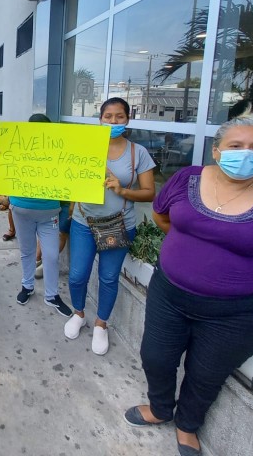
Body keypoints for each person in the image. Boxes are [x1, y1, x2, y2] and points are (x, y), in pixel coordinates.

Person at [125, 112, 253, 456]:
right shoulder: (187, 179)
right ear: (217, 151)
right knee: (156, 357)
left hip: (236, 315)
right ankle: (161, 408)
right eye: (236, 145)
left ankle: (188, 425)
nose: (246, 153)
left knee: (205, 374)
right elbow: (163, 216)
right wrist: (190, 250)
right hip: (169, 295)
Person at [64, 97, 156, 355]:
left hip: (119, 225)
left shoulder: (138, 152)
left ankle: (101, 324)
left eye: (119, 116)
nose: (114, 121)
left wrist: (122, 189)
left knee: (107, 277)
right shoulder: (84, 148)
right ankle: (79, 313)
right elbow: (53, 168)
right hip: (84, 222)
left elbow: (150, 193)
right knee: (77, 274)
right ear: (100, 119)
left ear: (127, 120)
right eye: (108, 116)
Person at [0, 113, 72, 317]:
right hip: (21, 211)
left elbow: (71, 178)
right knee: (27, 251)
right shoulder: (18, 150)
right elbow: (9, 176)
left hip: (50, 214)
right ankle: (27, 286)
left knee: (51, 254)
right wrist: (1, 161)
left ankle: (52, 294)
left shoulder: (58, 152)